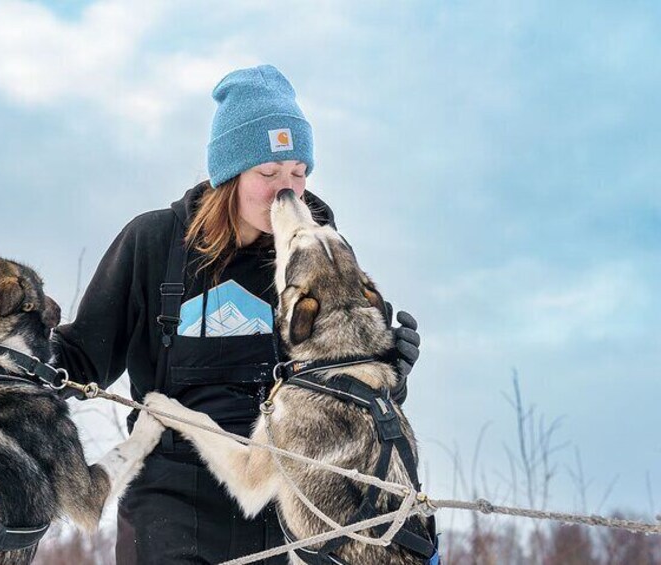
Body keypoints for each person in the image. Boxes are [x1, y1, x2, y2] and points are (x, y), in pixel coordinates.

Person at [51, 64, 422, 564]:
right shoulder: (154, 242)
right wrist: (17, 364)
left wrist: (388, 372)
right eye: (268, 173)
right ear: (229, 174)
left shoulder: (314, 260)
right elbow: (78, 357)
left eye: (298, 172)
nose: (286, 191)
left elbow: (340, 383)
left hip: (272, 503)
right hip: (166, 501)